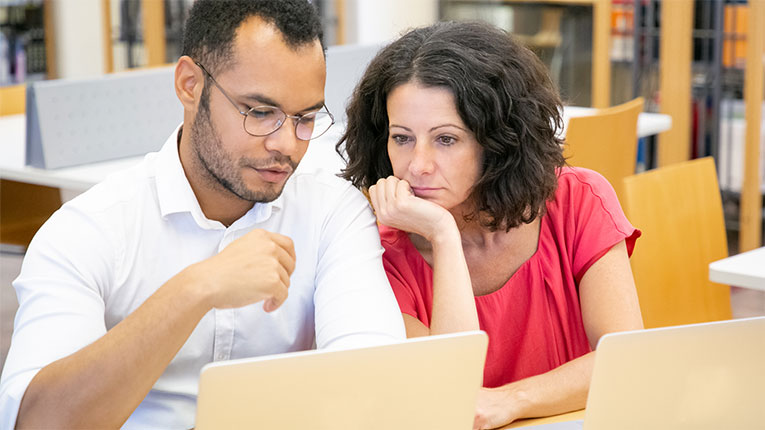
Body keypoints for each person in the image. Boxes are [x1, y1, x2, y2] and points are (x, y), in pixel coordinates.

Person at [0, 1, 406, 428]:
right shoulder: (89, 230)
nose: (287, 144)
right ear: (190, 85)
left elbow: (372, 387)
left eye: (304, 118)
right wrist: (196, 289)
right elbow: (37, 421)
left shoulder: (332, 213)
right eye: (261, 112)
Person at [339, 20, 644, 429]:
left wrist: (512, 400)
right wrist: (443, 236)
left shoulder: (577, 200)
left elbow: (625, 358)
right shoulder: (377, 251)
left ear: (498, 140)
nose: (418, 165)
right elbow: (445, 392)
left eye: (446, 139)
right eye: (402, 137)